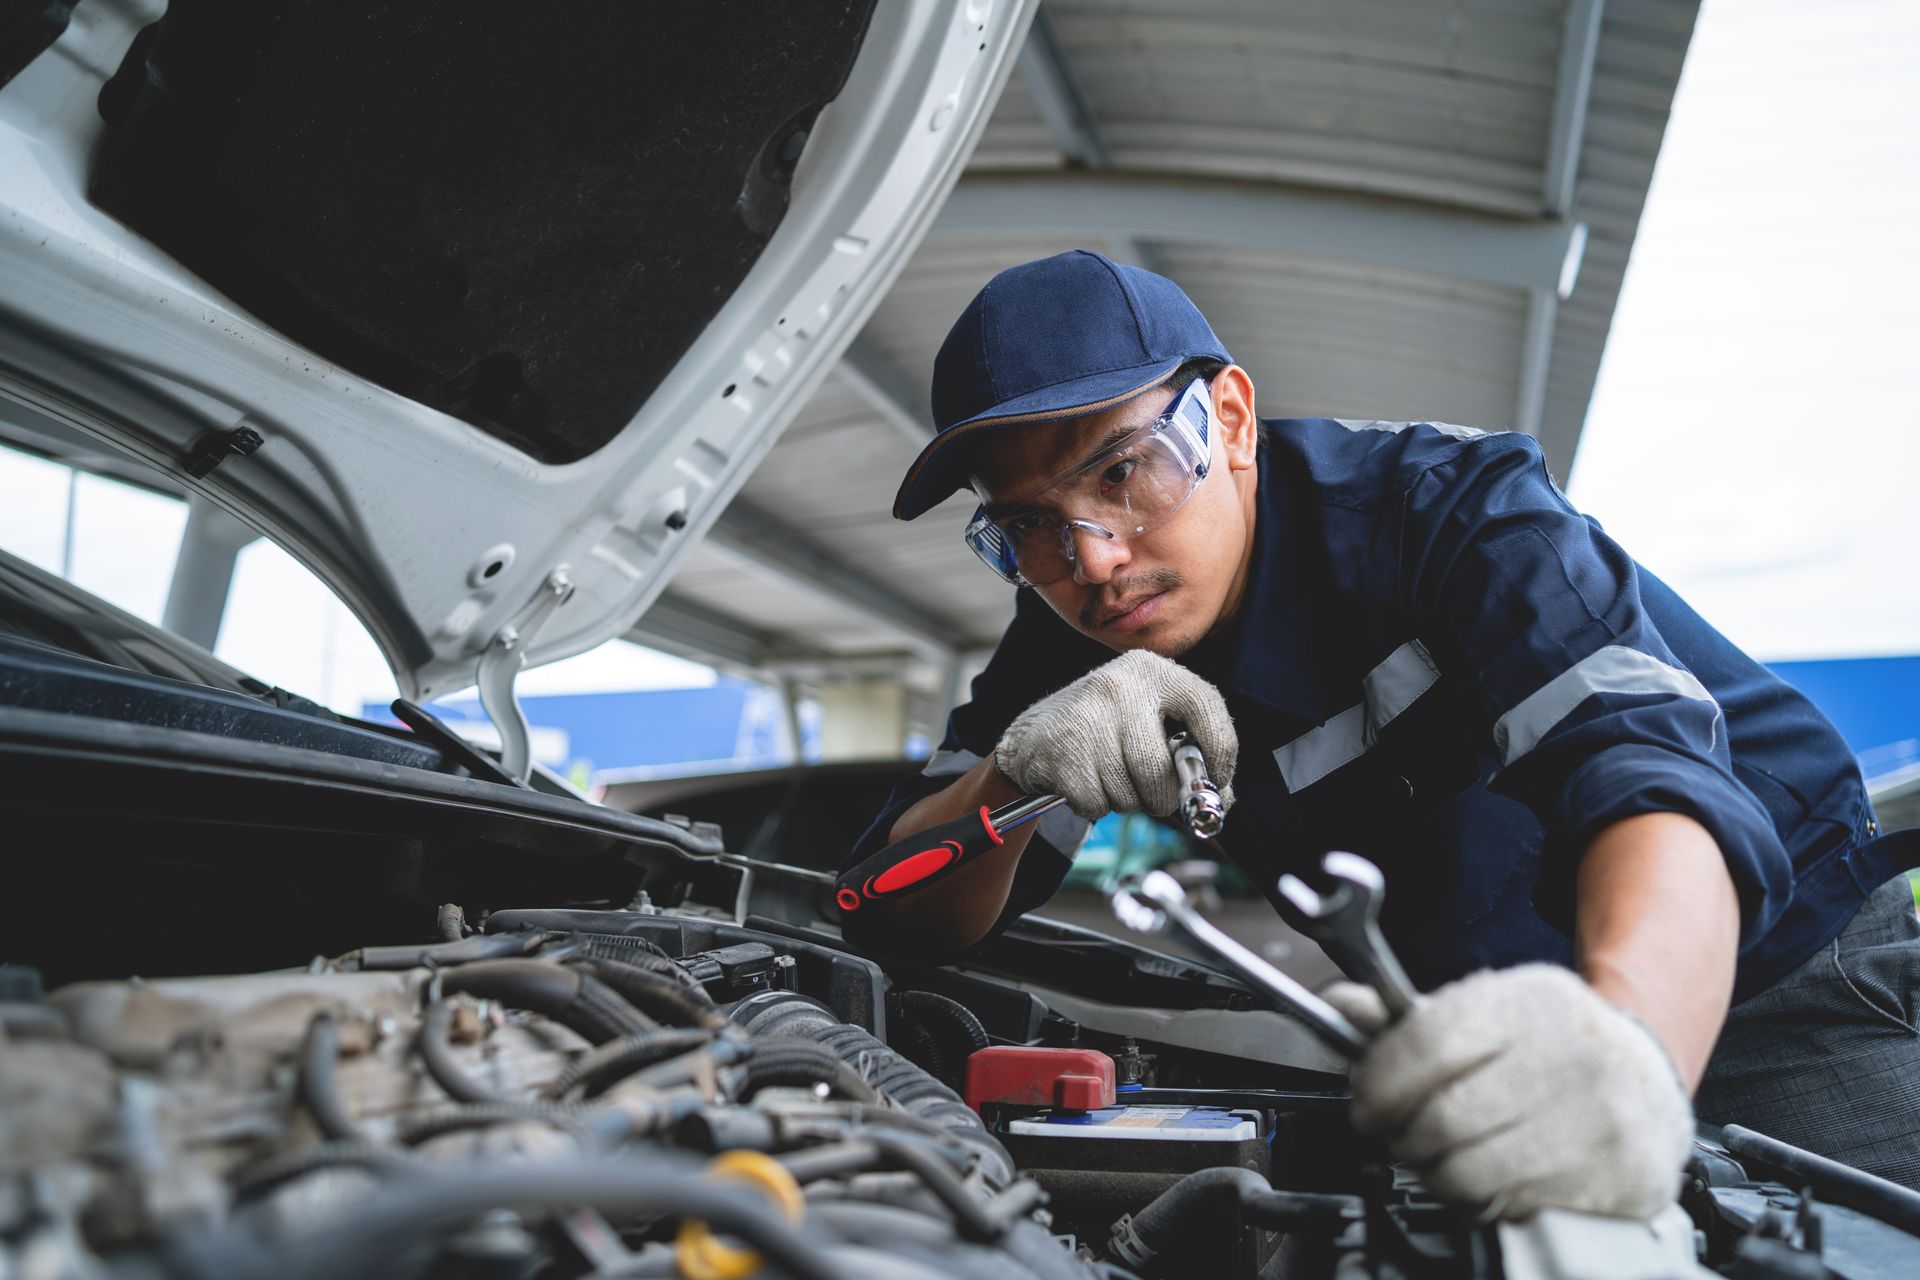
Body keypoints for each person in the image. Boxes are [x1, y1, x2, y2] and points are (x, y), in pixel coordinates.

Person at [840, 249, 1920, 1214]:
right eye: (1025, 522)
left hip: (1780, 981)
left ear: (1229, 417)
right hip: (1488, 1047)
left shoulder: (1448, 510)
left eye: (1122, 472)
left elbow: (1646, 769)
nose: (1094, 556)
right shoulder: (1067, 638)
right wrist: (1009, 777)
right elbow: (887, 908)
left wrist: (1623, 1050)